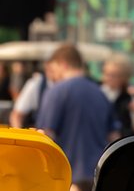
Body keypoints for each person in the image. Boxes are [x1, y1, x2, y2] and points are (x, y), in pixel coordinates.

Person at [35, 43, 116, 181]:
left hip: (67, 175)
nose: (53, 76)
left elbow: (45, 135)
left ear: (63, 64)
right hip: (98, 175)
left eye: (54, 70)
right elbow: (114, 135)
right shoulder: (101, 93)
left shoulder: (56, 92)